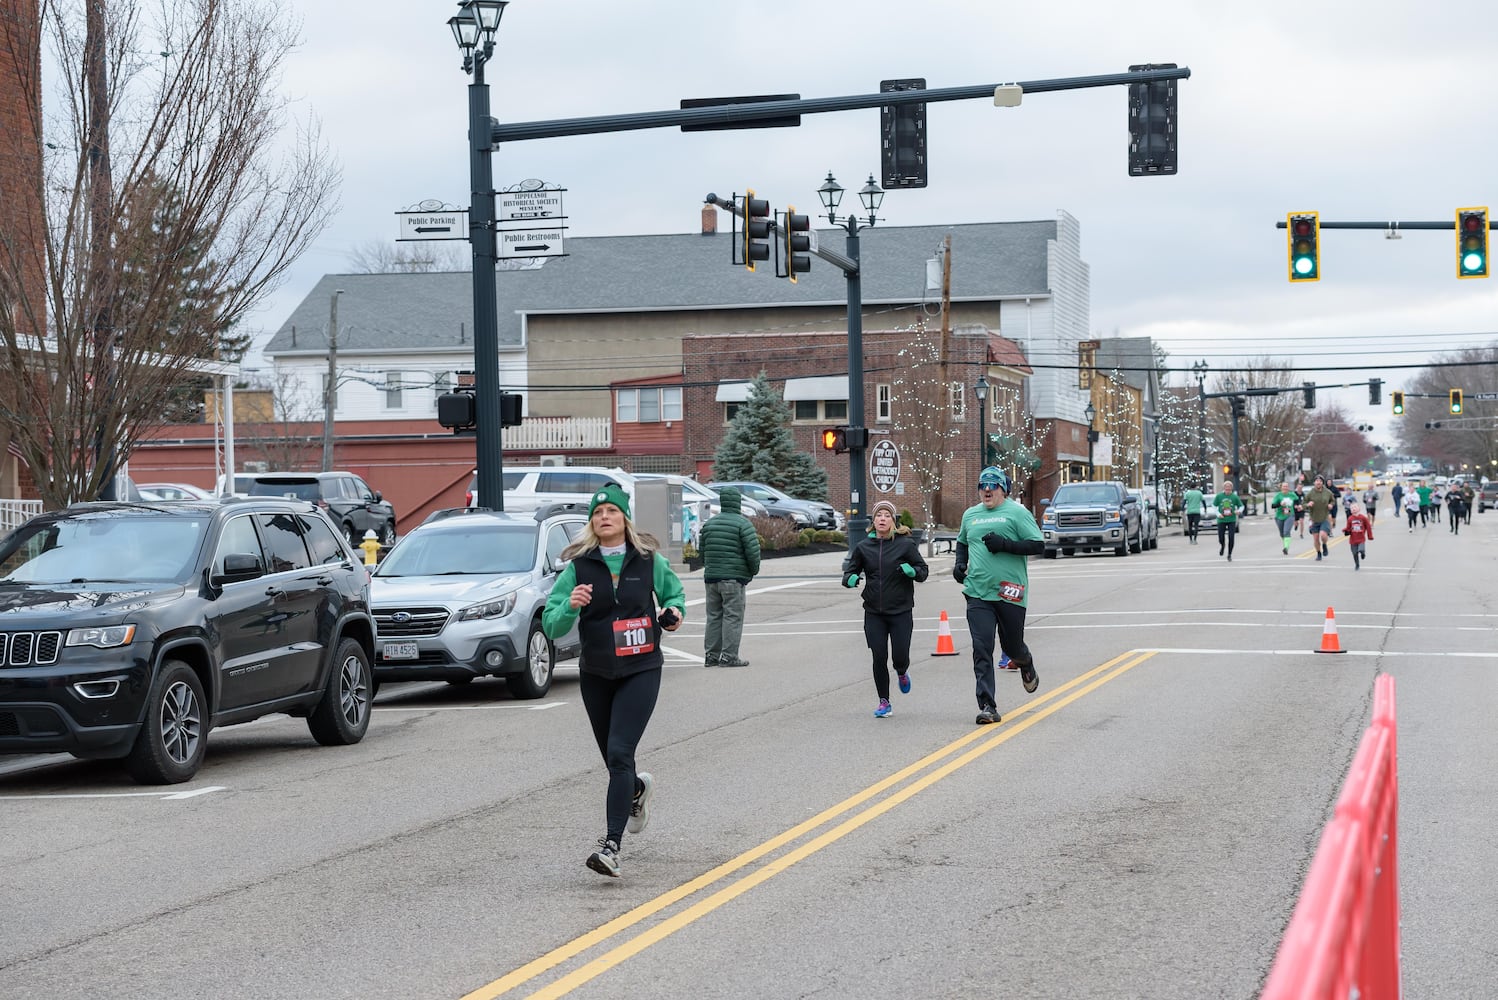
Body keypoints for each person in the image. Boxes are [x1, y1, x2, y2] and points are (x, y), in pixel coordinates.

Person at [542, 483, 686, 879]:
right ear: (592, 523)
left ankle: (611, 847)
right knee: (613, 759)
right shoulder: (578, 567)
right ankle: (636, 791)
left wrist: (672, 613)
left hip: (641, 668)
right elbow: (552, 626)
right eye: (597, 513)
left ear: (624, 519)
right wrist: (570, 607)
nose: (604, 517)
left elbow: (675, 598)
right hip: (597, 672)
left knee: (621, 751)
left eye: (611, 511)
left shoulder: (648, 560)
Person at [954, 466, 1045, 726]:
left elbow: (1037, 544)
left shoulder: (1017, 513)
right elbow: (962, 543)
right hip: (978, 592)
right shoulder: (970, 515)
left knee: (1012, 647)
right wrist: (960, 565)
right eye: (982, 485)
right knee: (982, 648)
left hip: (1010, 592)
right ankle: (987, 706)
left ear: (1003, 489)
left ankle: (1025, 662)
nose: (986, 489)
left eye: (992, 485)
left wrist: (1004, 545)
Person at [843, 500, 929, 718]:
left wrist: (912, 572)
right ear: (874, 521)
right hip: (874, 612)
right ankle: (884, 701)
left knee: (899, 656)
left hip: (900, 611)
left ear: (893, 520)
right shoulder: (863, 547)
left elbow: (923, 570)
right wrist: (851, 579)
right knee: (878, 656)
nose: (882, 518)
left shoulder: (905, 545)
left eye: (886, 515)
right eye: (878, 515)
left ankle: (901, 671)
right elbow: (848, 573)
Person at [698, 486, 761, 668]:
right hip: (733, 578)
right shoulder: (743, 524)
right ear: (738, 502)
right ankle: (729, 657)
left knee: (713, 616)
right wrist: (752, 572)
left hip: (711, 578)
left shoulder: (709, 524)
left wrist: (710, 568)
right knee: (732, 616)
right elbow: (753, 553)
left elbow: (702, 552)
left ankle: (711, 656)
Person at [1303, 475, 1337, 560]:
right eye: (1317, 481)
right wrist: (1308, 504)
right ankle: (1318, 553)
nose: (1318, 482)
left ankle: (1324, 545)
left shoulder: (1327, 492)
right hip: (1314, 518)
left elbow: (1333, 500)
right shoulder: (1310, 493)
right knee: (1316, 538)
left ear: (1322, 483)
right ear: (1314, 482)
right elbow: (1303, 504)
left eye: (1320, 481)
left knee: (1323, 535)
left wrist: (1331, 505)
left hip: (1324, 517)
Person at [1214, 480, 1245, 561]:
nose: (1227, 489)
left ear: (1231, 488)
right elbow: (1214, 506)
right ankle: (1222, 545)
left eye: (1229, 488)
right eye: (1226, 487)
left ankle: (1229, 554)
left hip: (1231, 519)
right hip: (1221, 519)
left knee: (1231, 537)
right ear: (1224, 488)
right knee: (1221, 537)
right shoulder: (1219, 496)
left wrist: (1239, 511)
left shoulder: (1234, 497)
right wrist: (1218, 514)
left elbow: (1241, 506)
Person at [1342, 501, 1374, 570]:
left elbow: (1368, 527)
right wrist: (1345, 530)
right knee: (1354, 553)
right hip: (1353, 540)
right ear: (1350, 510)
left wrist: (1370, 536)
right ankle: (1357, 564)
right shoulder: (1350, 518)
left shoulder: (1363, 518)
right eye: (1352, 508)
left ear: (1359, 509)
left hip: (1361, 539)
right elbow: (1348, 528)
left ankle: (1363, 553)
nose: (1353, 509)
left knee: (1361, 550)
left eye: (1355, 507)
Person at [1271, 481, 1298, 555]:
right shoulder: (1278, 495)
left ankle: (1286, 548)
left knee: (1286, 531)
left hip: (1289, 515)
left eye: (1286, 486)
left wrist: (1297, 506)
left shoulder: (1292, 494)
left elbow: (1297, 501)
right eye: (1284, 486)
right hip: (1279, 516)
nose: (1285, 488)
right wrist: (1280, 504)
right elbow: (1273, 506)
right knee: (1282, 533)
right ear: (1281, 487)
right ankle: (1285, 544)